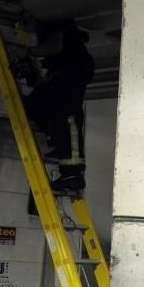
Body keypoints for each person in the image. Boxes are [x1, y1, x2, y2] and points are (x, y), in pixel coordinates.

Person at [22, 19, 95, 192]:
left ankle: (73, 174)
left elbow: (54, 46)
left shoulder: (54, 16)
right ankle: (56, 139)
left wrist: (27, 51)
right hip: (65, 69)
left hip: (74, 69)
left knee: (68, 114)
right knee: (35, 104)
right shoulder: (49, 22)